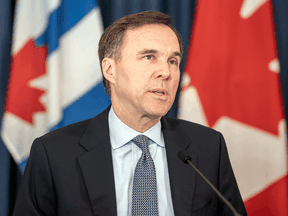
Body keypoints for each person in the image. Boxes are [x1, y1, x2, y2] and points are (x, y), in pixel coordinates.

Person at [13, 11, 247, 216]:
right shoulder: (54, 154)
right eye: (149, 57)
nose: (166, 72)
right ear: (110, 69)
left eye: (173, 60)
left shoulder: (207, 147)